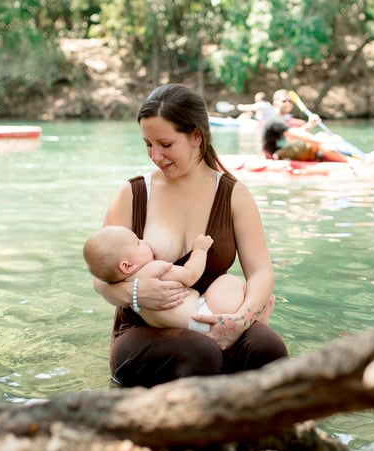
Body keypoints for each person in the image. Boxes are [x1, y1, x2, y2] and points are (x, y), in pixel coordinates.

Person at [92, 83, 288, 388]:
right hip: (144, 330)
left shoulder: (234, 195)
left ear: (196, 136)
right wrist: (135, 294)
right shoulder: (133, 194)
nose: (155, 155)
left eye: (165, 144)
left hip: (215, 315)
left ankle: (266, 432)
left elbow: (261, 271)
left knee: (268, 349)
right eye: (148, 144)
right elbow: (101, 279)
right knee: (200, 353)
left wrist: (241, 321)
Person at [84, 225, 265, 333]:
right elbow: (190, 275)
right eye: (138, 243)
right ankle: (252, 319)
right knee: (230, 282)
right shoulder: (153, 270)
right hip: (204, 316)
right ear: (126, 266)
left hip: (183, 328)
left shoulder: (124, 287)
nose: (144, 241)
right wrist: (200, 250)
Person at [261, 89, 348, 162]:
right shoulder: (275, 120)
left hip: (284, 151)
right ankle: (348, 162)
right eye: (284, 101)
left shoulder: (280, 119)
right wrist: (327, 141)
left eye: (290, 101)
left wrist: (310, 125)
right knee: (318, 140)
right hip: (276, 155)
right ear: (275, 103)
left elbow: (291, 139)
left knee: (321, 135)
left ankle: (338, 158)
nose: (288, 104)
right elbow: (298, 135)